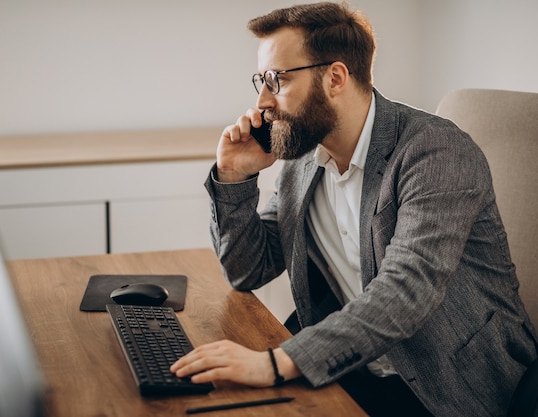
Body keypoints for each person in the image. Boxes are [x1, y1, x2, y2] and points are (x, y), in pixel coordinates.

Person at [170, 2, 538, 416]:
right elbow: (247, 269)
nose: (263, 101)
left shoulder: (435, 152)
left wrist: (275, 363)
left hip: (448, 383)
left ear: (335, 77)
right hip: (351, 367)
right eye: (261, 80)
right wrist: (233, 176)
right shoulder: (303, 160)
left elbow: (406, 290)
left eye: (276, 79)